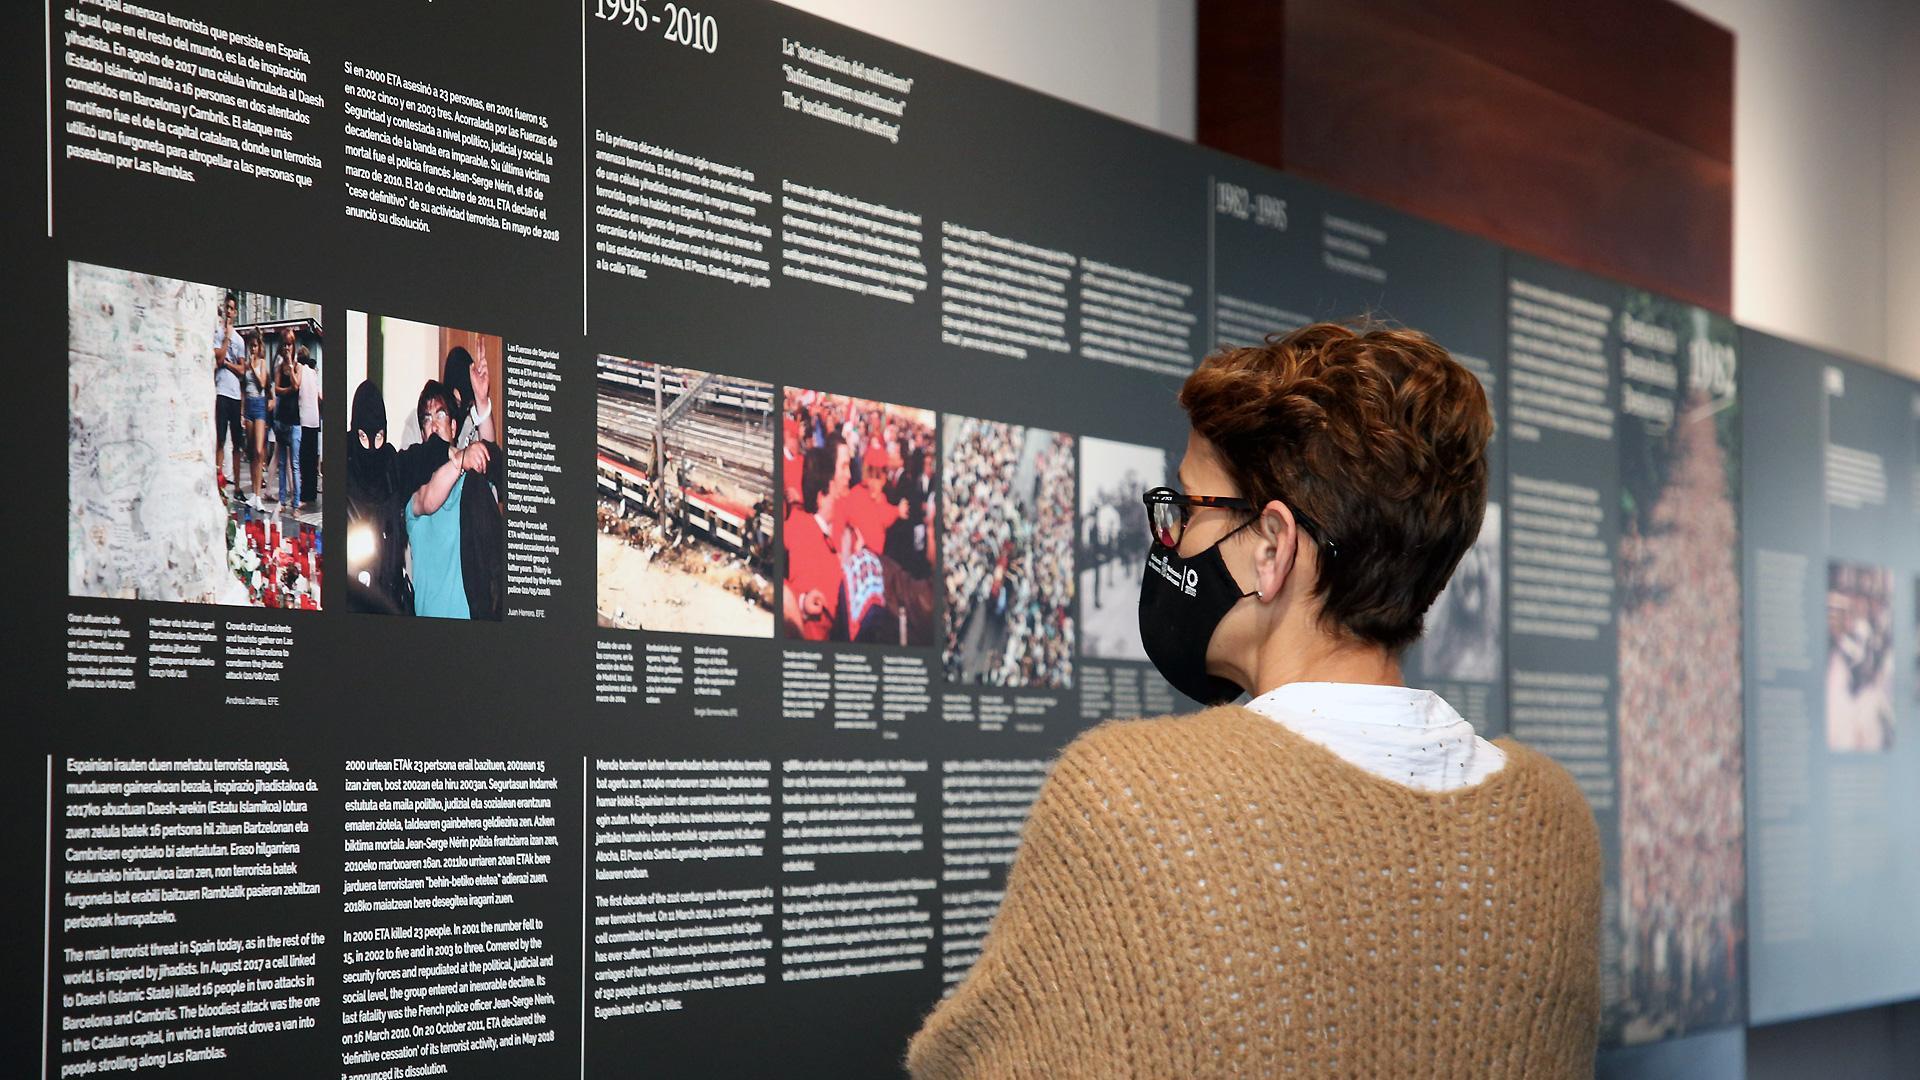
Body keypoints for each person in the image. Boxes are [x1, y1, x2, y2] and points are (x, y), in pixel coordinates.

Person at [908, 323, 1601, 1078]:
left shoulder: (1130, 798)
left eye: (1188, 508)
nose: (1168, 538)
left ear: (1272, 546)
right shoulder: (1551, 821)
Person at [212, 294, 247, 498]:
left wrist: (227, 364)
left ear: (235, 312)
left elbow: (242, 370)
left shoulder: (240, 340)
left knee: (236, 443)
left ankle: (238, 486)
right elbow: (218, 358)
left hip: (235, 395)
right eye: (227, 307)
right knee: (220, 439)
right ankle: (218, 482)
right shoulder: (217, 333)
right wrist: (226, 336)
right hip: (221, 392)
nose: (229, 311)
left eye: (232, 308)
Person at [271, 328, 302, 511]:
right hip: (281, 420)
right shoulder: (277, 367)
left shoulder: (297, 367)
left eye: (290, 344)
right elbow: (277, 390)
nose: (288, 347)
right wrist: (289, 389)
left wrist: (290, 366)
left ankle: (296, 503)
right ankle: (282, 501)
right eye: (285, 344)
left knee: (295, 464)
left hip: (295, 421)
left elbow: (297, 385)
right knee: (282, 463)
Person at [240, 330, 270, 509]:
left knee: (259, 451)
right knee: (252, 452)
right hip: (249, 405)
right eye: (250, 346)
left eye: (255, 345)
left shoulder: (261, 363)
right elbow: (244, 389)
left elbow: (263, 384)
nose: (253, 348)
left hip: (259, 405)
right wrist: (243, 412)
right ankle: (254, 494)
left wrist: (252, 367)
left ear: (259, 347)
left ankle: (258, 494)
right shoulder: (246, 364)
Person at [298, 345, 320, 509]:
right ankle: (311, 493)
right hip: (315, 419)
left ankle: (304, 494)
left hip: (304, 418)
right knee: (312, 459)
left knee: (304, 460)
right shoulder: (313, 373)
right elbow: (320, 395)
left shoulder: (300, 369)